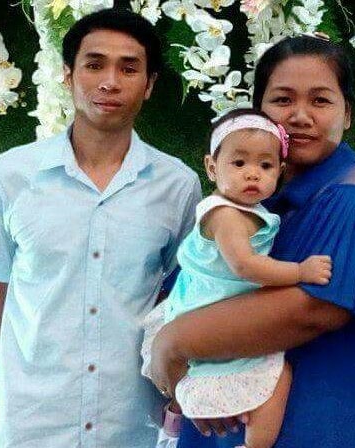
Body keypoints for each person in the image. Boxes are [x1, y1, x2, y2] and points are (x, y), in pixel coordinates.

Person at [149, 35, 355, 447]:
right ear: (259, 113)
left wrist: (172, 342)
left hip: (327, 423)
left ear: (347, 114)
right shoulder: (252, 202)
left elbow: (315, 310)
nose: (300, 116)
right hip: (239, 415)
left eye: (321, 101)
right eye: (282, 100)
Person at [0, 8, 201, 447]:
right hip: (32, 424)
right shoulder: (10, 174)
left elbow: (181, 295)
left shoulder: (177, 185)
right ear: (68, 76)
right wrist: (23, 374)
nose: (110, 82)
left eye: (129, 68)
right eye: (94, 65)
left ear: (149, 85)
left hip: (133, 421)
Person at [141, 108, 333, 448]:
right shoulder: (226, 215)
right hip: (206, 310)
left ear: (280, 171)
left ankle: (174, 419)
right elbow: (245, 266)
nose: (252, 174)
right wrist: (300, 271)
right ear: (212, 168)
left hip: (210, 304)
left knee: (212, 379)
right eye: (239, 163)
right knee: (277, 376)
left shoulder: (247, 210)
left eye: (265, 166)